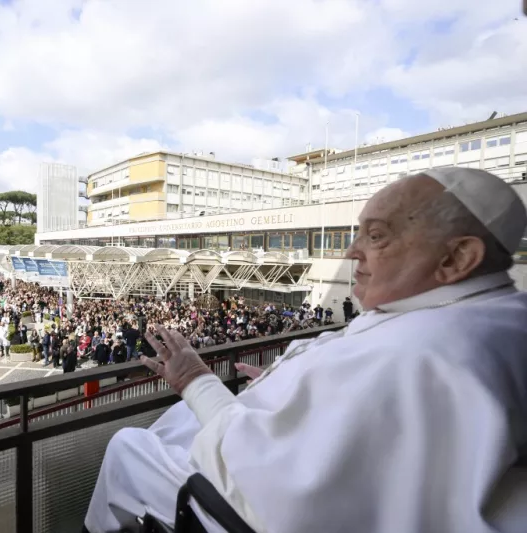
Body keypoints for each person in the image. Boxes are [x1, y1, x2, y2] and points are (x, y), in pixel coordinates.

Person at [83, 168, 527, 533]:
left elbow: (274, 483)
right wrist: (292, 389)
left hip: (248, 510)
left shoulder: (419, 351)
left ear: (456, 258)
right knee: (180, 421)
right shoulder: (491, 313)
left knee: (129, 445)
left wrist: (194, 379)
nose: (352, 251)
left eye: (376, 236)